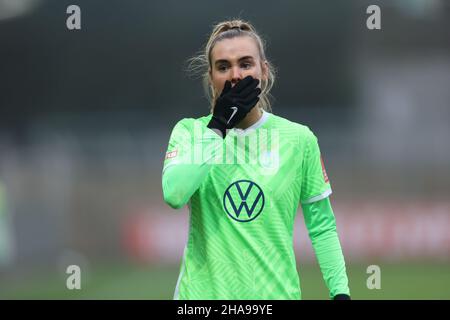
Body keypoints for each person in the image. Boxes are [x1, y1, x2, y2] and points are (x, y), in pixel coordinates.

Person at [162, 19, 350, 300]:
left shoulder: (299, 140)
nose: (235, 75)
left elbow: (322, 226)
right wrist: (219, 126)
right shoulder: (191, 132)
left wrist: (340, 293)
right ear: (211, 76)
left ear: (264, 70)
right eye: (223, 66)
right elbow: (175, 194)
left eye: (245, 64)